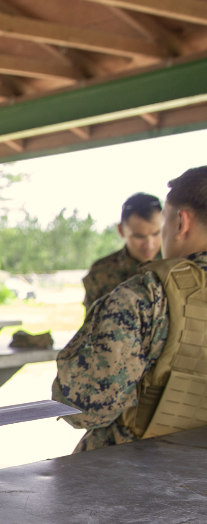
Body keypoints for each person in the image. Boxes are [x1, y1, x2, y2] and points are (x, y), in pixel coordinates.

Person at [53, 167, 207, 451]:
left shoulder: (142, 295)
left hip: (142, 464)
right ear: (123, 231)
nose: (150, 243)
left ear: (181, 222)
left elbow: (83, 405)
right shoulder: (111, 274)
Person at [82, 192, 163, 309]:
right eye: (139, 236)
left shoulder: (177, 266)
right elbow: (92, 324)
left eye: (156, 233)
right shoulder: (101, 272)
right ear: (121, 230)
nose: (149, 245)